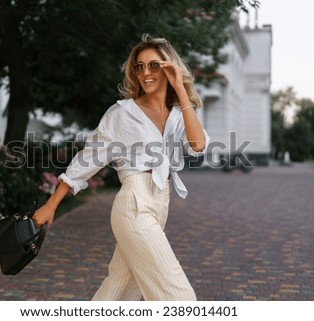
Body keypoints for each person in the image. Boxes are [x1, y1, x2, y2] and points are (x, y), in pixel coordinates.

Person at [33, 34, 209, 301]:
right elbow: (87, 160)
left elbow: (198, 144)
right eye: (140, 66)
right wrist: (51, 204)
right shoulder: (123, 114)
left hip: (161, 202)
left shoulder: (179, 114)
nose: (145, 72)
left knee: (119, 290)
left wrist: (182, 91)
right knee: (179, 298)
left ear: (169, 68)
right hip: (134, 204)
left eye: (154, 65)